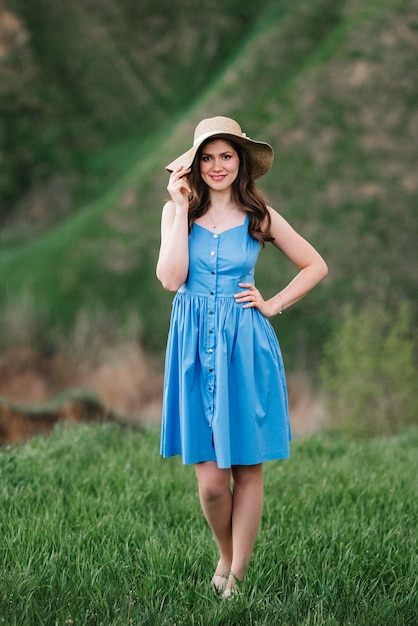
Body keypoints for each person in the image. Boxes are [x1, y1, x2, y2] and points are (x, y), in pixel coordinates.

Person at [156, 116, 328, 598]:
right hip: (191, 346)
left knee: (247, 465)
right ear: (192, 166)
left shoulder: (259, 215)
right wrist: (176, 205)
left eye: (226, 156)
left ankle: (237, 574)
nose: (216, 166)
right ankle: (225, 553)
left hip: (243, 344)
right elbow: (171, 279)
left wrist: (272, 303)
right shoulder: (178, 216)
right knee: (211, 482)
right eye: (206, 157)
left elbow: (315, 264)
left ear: (240, 162)